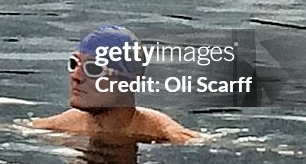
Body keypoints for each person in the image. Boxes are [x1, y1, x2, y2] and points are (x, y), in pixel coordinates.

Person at [31, 25, 200, 143]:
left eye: (93, 69)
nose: (76, 76)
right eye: (74, 64)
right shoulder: (56, 127)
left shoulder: (165, 134)